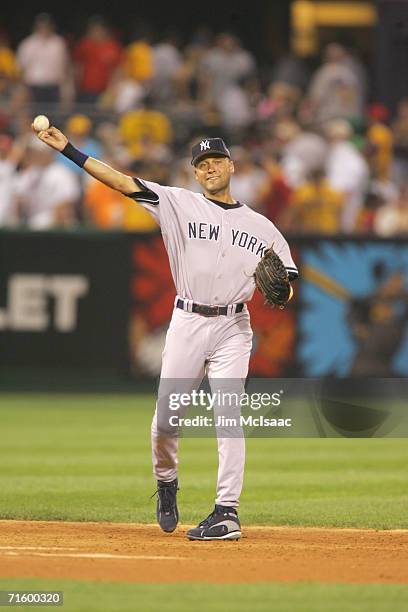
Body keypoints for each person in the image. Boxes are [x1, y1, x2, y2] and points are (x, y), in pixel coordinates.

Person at [33, 124, 298, 541]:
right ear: (195, 173)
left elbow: (286, 284)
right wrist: (69, 149)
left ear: (232, 166)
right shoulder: (176, 203)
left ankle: (227, 511)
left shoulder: (264, 227)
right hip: (188, 321)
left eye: (216, 162)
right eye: (202, 164)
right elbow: (119, 181)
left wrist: (283, 290)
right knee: (166, 422)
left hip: (234, 326)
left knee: (228, 416)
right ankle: (166, 481)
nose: (210, 169)